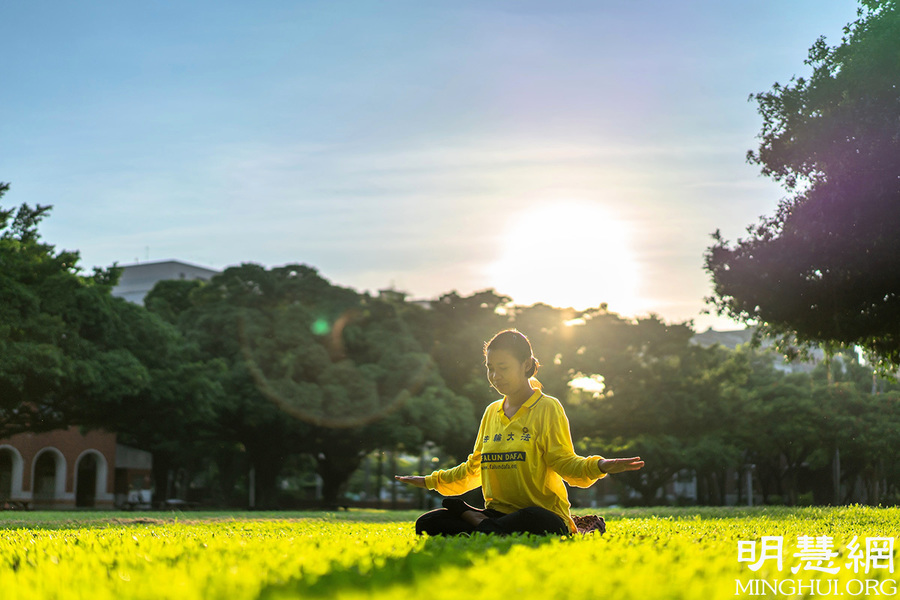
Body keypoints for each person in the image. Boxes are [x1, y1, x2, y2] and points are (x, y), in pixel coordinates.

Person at [396, 329, 644, 536]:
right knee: (428, 523)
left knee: (535, 519)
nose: (495, 376)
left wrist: (601, 465)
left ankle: (482, 524)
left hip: (540, 513)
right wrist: (430, 481)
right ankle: (484, 525)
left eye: (502, 367)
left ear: (526, 365)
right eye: (490, 368)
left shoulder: (548, 407)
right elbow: (475, 467)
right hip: (499, 513)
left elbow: (564, 462)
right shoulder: (491, 412)